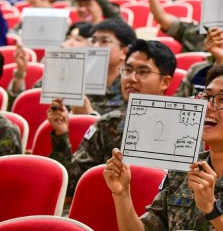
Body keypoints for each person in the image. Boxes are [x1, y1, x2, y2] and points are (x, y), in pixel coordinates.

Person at [104, 64, 223, 230]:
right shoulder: (182, 170)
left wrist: (212, 209)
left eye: (222, 99)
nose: (207, 106)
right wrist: (122, 194)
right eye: (206, 97)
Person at [48, 39, 176, 197]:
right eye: (127, 70)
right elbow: (73, 184)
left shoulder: (182, 128)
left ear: (165, 82)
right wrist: (61, 135)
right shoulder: (108, 124)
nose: (131, 78)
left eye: (143, 72)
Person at [8, 22, 94, 99]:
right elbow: (25, 103)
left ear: (92, 45)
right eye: (68, 38)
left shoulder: (94, 80)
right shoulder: (54, 72)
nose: (66, 43)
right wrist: (20, 72)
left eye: (77, 40)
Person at [70, 18, 137, 116]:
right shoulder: (83, 76)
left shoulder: (131, 86)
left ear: (124, 52)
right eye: (93, 41)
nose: (95, 47)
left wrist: (89, 116)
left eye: (104, 41)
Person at [175, 27, 223, 97]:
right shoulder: (196, 69)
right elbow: (177, 105)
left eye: (222, 23)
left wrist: (221, 61)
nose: (214, 28)